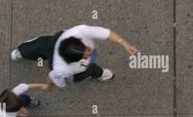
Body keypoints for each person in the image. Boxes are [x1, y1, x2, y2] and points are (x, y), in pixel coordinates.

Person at [10, 24, 139, 91]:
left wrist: (124, 43)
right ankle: (22, 52)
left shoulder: (81, 31)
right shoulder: (63, 68)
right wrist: (48, 86)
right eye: (86, 55)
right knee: (34, 47)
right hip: (55, 51)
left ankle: (98, 73)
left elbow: (107, 33)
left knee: (38, 46)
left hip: (56, 43)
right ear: (73, 60)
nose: (90, 53)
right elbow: (53, 75)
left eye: (87, 49)